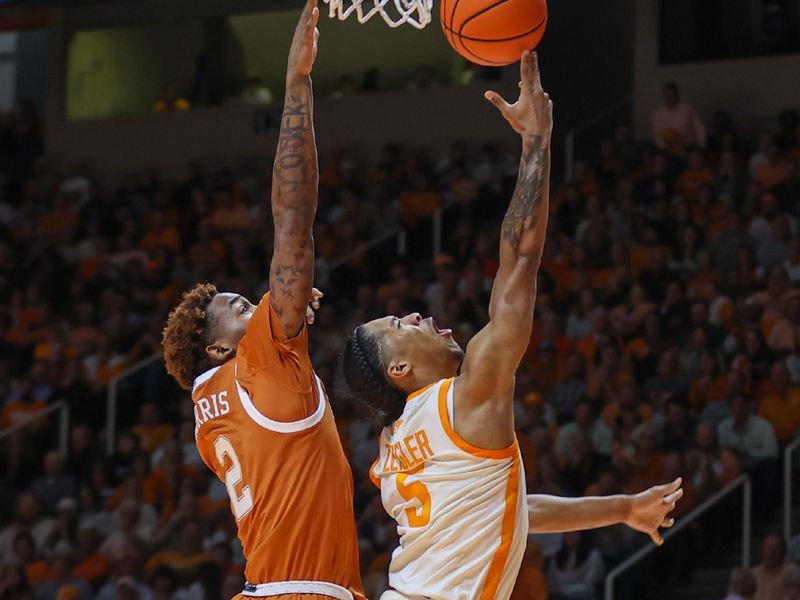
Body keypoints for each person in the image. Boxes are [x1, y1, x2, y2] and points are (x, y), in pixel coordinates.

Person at [338, 52, 682, 600]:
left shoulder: (393, 442)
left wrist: (622, 508)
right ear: (399, 367)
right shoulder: (467, 395)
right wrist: (536, 143)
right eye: (403, 323)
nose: (421, 315)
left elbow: (510, 509)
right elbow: (520, 259)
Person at [160, 2, 365, 598]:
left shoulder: (208, 406)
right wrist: (297, 85)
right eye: (238, 307)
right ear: (222, 347)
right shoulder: (256, 363)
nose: (254, 301)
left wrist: (280, 316)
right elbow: (292, 223)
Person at [651, 81, 706, 152]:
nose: (670, 99)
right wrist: (664, 146)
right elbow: (657, 135)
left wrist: (701, 146)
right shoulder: (657, 114)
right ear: (663, 96)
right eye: (667, 96)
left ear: (677, 95)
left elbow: (699, 127)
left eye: (672, 95)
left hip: (688, 148)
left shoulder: (687, 109)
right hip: (667, 150)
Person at [752, 534, 800, 600]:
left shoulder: (794, 573)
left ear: (784, 552)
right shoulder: (755, 574)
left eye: (776, 549)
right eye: (768, 549)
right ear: (762, 550)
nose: (771, 553)